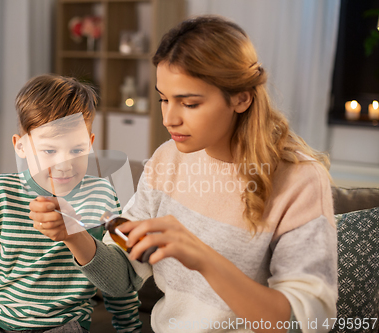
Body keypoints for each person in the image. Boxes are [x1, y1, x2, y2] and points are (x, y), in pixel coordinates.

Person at [30, 15, 338, 333]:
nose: (169, 118)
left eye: (189, 103)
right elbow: (122, 279)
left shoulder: (300, 180)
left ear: (241, 98)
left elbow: (310, 322)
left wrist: (204, 259)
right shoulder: (167, 159)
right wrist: (73, 234)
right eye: (163, 99)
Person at [0, 74, 142, 333]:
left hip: (65, 326)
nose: (64, 164)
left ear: (91, 144)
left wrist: (130, 328)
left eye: (77, 150)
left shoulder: (103, 194)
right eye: (49, 151)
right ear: (21, 146)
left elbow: (119, 280)